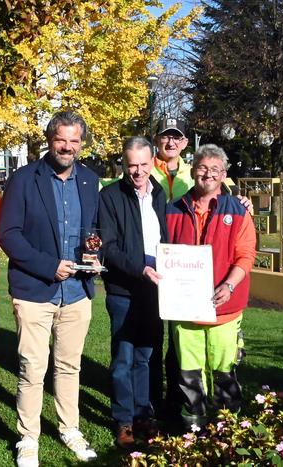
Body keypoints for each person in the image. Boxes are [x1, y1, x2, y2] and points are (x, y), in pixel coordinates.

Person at [0, 111, 99, 467]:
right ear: (49, 140)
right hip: (35, 290)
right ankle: (28, 437)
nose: (67, 147)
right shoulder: (24, 179)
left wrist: (93, 254)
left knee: (70, 367)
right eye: (61, 140)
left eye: (74, 140)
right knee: (32, 367)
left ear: (81, 143)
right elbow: (8, 234)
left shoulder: (89, 179)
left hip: (77, 292)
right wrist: (47, 266)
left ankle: (69, 428)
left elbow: (94, 229)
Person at [165, 144, 256, 429]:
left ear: (224, 174)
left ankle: (227, 430)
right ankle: (195, 428)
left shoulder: (238, 211)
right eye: (203, 168)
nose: (208, 174)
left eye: (215, 169)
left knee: (224, 371)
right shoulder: (172, 210)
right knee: (189, 374)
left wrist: (229, 285)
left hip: (225, 308)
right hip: (185, 311)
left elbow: (246, 255)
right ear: (193, 171)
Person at [98, 137, 167, 448]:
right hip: (124, 289)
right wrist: (140, 268)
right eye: (131, 165)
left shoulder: (161, 194)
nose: (138, 171)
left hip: (155, 290)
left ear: (152, 162)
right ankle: (124, 421)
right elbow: (108, 248)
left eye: (143, 164)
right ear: (123, 165)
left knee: (148, 356)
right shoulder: (110, 196)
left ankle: (145, 415)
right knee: (124, 359)